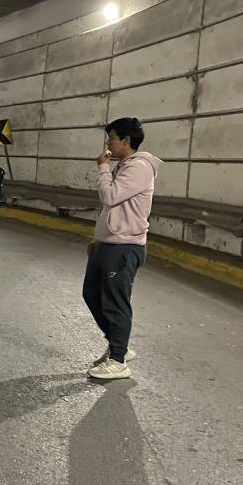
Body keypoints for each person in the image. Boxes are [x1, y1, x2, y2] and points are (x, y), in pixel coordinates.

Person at [84, 117, 162, 380]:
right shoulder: (125, 165)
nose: (108, 144)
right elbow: (113, 210)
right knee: (91, 293)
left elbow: (110, 196)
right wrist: (99, 238)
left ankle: (118, 360)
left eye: (112, 139)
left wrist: (103, 168)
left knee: (116, 302)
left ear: (126, 141)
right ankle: (120, 343)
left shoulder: (139, 167)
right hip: (109, 244)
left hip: (125, 247)